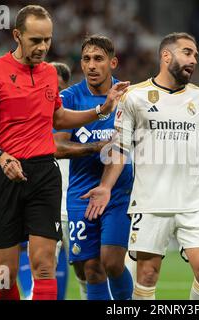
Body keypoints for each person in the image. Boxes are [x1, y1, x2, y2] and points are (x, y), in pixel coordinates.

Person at [83, 32, 199, 300]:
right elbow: (120, 148)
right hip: (150, 201)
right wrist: (106, 186)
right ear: (166, 56)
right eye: (187, 53)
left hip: (192, 201)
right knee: (146, 275)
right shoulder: (134, 96)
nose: (193, 60)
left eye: (196, 56)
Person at [0, 5, 129, 300]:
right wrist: (1, 156)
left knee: (44, 266)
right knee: (5, 277)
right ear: (17, 35)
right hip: (5, 175)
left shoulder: (48, 76)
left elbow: (58, 118)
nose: (42, 47)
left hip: (43, 175)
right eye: (35, 40)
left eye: (47, 40)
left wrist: (99, 110)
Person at [54, 35, 134, 300]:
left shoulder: (129, 97)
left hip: (119, 191)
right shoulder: (69, 98)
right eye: (86, 59)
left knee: (112, 262)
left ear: (112, 62)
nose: (91, 65)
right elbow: (56, 146)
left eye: (98, 59)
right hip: (81, 194)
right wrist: (95, 147)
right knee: (91, 268)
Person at [17, 61, 72, 300]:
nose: (54, 92)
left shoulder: (73, 115)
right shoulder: (25, 115)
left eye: (60, 88)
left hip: (75, 198)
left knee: (87, 267)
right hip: (42, 199)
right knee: (42, 266)